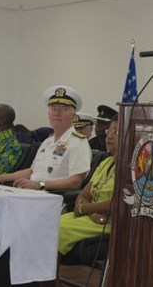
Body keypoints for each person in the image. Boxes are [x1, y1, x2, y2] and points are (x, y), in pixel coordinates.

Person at [0, 85, 91, 191]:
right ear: (49, 114)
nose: (57, 113)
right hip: (33, 192)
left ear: (74, 117)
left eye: (64, 109)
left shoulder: (78, 143)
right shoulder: (47, 142)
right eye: (53, 108)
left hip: (52, 196)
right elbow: (32, 171)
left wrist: (40, 184)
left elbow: (75, 182)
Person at [56, 115, 118, 282]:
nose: (109, 137)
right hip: (94, 217)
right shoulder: (107, 162)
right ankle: (46, 280)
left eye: (117, 132)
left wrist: (85, 209)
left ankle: (48, 281)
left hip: (111, 222)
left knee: (58, 230)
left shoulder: (132, 167)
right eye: (109, 131)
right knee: (48, 225)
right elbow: (84, 195)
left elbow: (118, 205)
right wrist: (91, 212)